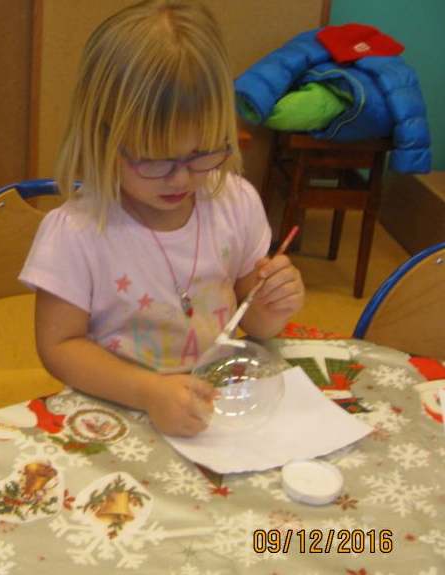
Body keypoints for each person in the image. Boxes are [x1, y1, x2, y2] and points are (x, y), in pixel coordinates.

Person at [19, 0, 305, 437]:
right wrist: (149, 392)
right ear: (101, 137)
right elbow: (59, 347)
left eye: (202, 153)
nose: (181, 178)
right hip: (117, 412)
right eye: (155, 159)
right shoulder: (76, 233)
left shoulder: (234, 203)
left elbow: (258, 322)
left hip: (215, 412)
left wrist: (276, 300)